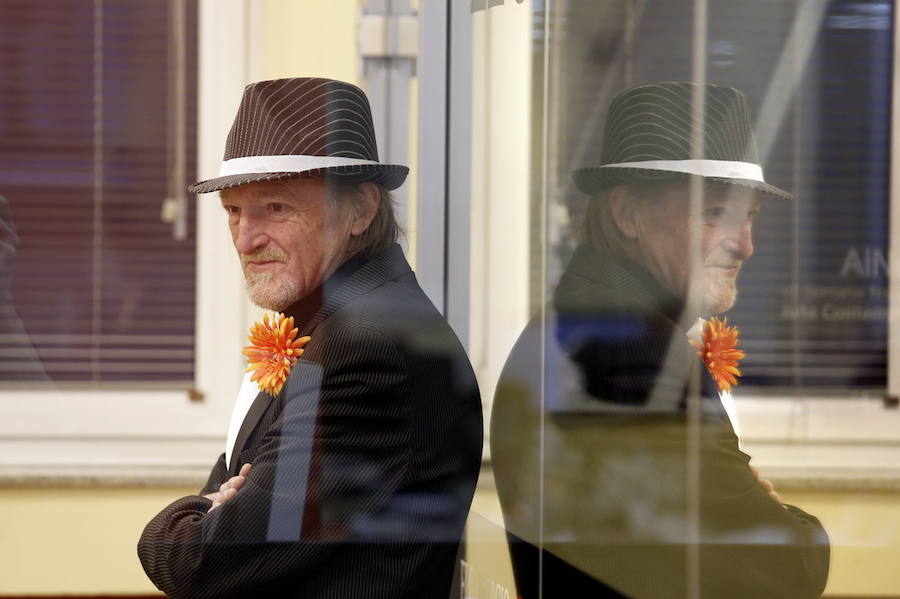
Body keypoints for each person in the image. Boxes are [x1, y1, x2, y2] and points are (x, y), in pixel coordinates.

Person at [138, 77, 483, 599]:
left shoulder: (367, 346)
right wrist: (217, 508)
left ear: (361, 211)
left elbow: (197, 563)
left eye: (276, 207)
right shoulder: (330, 324)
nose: (246, 239)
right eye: (233, 210)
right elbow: (228, 489)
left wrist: (171, 527)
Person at [490, 82, 830, 598]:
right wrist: (800, 528)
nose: (745, 245)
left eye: (749, 218)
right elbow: (781, 572)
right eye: (717, 212)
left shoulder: (592, 322)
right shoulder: (630, 351)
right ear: (628, 213)